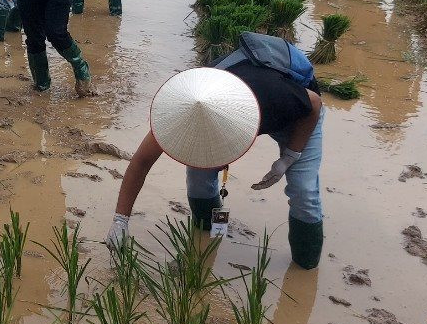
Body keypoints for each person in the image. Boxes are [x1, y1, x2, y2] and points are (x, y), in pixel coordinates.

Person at [106, 32, 325, 269]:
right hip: (251, 103)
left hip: (297, 117)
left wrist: (290, 156)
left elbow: (313, 104)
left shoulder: (274, 96)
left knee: (303, 191)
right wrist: (120, 220)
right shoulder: (181, 113)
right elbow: (140, 162)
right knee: (198, 176)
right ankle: (205, 233)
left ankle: (305, 265)